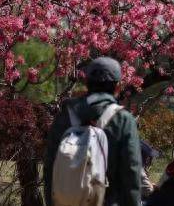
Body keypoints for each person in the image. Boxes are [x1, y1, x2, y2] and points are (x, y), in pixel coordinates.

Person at [43, 56, 142, 206]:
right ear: (118, 87)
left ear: (87, 83)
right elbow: (131, 172)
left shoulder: (66, 113)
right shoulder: (123, 119)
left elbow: (50, 165)